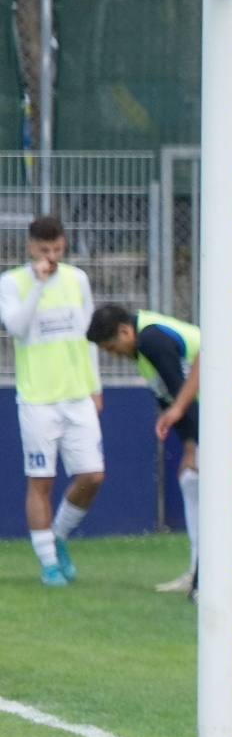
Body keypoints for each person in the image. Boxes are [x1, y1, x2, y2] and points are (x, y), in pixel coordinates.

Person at [1, 215, 103, 585]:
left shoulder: (77, 279)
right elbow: (15, 327)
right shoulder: (12, 283)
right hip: (38, 398)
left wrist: (96, 388)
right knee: (41, 480)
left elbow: (90, 335)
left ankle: (57, 537)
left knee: (93, 475)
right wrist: (39, 285)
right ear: (31, 247)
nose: (52, 256)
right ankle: (48, 565)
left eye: (58, 249)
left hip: (77, 395)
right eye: (45, 250)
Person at [86, 304, 201, 594]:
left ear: (125, 331)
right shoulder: (141, 347)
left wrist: (193, 447)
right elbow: (172, 399)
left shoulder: (152, 340)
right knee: (193, 482)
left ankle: (219, 576)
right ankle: (200, 571)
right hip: (211, 414)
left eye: (112, 347)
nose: (113, 355)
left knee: (213, 491)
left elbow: (183, 394)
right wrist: (190, 443)